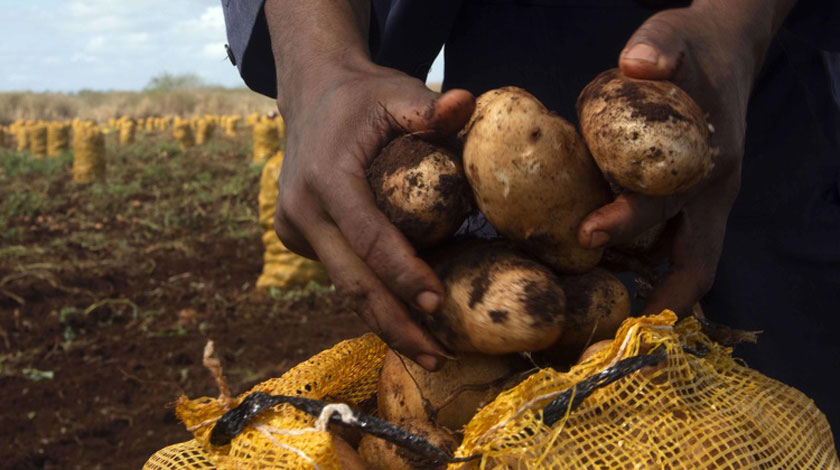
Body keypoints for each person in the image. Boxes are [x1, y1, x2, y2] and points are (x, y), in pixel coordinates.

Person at [222, 0, 840, 435]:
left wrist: (739, 21)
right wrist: (318, 66)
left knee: (780, 391)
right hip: (501, 34)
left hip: (738, 75)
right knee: (519, 390)